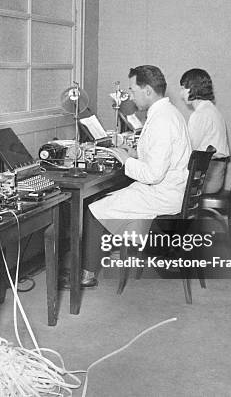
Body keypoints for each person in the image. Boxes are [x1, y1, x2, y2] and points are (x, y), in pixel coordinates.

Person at [64, 65, 191, 287]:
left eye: (133, 90)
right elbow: (157, 157)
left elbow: (153, 174)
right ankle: (101, 257)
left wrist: (125, 159)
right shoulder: (168, 114)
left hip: (161, 195)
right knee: (104, 199)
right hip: (168, 190)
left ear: (148, 90)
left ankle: (86, 276)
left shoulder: (162, 120)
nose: (130, 95)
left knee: (93, 211)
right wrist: (133, 154)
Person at [180, 68, 230, 194]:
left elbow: (188, 150)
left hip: (208, 177)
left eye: (183, 88)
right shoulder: (211, 110)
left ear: (193, 88)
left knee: (162, 184)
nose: (181, 94)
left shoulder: (201, 114)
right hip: (213, 173)